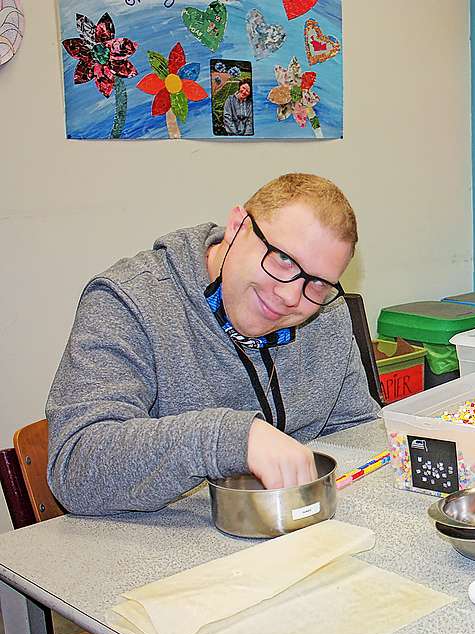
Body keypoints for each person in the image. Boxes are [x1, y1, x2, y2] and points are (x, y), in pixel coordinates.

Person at [46, 173, 379, 515]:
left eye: (319, 283)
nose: (291, 295)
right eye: (283, 260)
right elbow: (75, 469)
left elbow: (359, 433)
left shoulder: (325, 312)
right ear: (237, 227)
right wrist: (229, 438)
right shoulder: (127, 301)